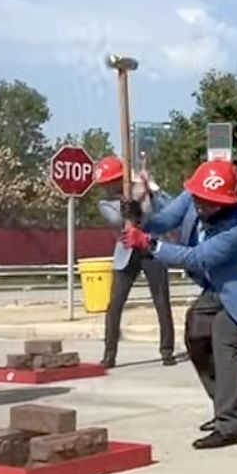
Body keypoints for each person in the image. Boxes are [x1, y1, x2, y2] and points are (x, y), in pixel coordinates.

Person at [124, 160, 237, 450]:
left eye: (210, 204)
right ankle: (230, 405)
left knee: (224, 338)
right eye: (199, 199)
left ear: (228, 202)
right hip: (216, 287)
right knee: (196, 334)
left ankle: (231, 424)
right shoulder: (194, 196)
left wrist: (149, 244)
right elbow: (161, 223)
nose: (201, 206)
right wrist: (138, 209)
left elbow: (198, 257)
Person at [94, 156, 176, 368]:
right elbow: (117, 221)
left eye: (110, 182)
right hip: (127, 252)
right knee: (115, 304)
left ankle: (167, 350)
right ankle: (109, 353)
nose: (107, 188)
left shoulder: (142, 190)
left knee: (161, 300)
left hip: (150, 248)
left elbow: (157, 213)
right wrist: (131, 203)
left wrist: (147, 193)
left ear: (119, 178)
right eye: (104, 185)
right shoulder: (105, 203)